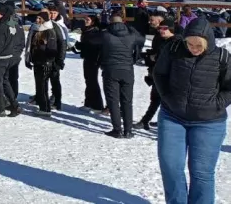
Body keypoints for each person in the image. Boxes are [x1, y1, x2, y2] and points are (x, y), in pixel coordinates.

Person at [154, 17, 231, 204]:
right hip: (172, 117)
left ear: (208, 42)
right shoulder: (173, 49)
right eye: (190, 44)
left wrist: (216, 104)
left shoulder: (222, 57)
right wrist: (168, 98)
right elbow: (159, 73)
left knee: (201, 173)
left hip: (209, 123)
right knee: (171, 168)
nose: (194, 49)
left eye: (199, 46)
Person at [85, 14, 144, 138]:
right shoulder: (131, 35)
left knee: (113, 101)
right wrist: (130, 28)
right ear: (123, 22)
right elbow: (141, 39)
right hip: (127, 70)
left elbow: (91, 40)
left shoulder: (106, 35)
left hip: (110, 69)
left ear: (110, 22)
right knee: (127, 101)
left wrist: (102, 28)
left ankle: (117, 130)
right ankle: (128, 130)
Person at [138, 11, 177, 130]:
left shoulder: (176, 41)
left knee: (167, 101)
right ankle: (146, 121)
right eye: (160, 28)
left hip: (169, 75)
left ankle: (165, 121)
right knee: (155, 99)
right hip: (157, 73)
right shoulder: (158, 37)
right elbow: (154, 53)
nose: (161, 30)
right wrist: (149, 57)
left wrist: (156, 57)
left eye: (164, 28)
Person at [25, 12, 65, 116]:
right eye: (37, 18)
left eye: (39, 18)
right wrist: (29, 58)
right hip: (37, 61)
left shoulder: (49, 31)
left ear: (44, 20)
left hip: (45, 63)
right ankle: (42, 106)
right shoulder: (37, 29)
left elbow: (52, 49)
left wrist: (48, 62)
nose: (37, 20)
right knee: (40, 86)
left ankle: (45, 109)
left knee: (43, 87)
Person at [74, 15, 105, 113]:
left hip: (93, 59)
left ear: (93, 22)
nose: (85, 21)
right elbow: (87, 45)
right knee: (88, 81)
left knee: (92, 81)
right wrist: (80, 46)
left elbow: (94, 46)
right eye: (85, 19)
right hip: (87, 58)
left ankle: (98, 105)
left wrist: (81, 46)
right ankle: (88, 103)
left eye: (88, 20)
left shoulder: (95, 32)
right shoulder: (86, 30)